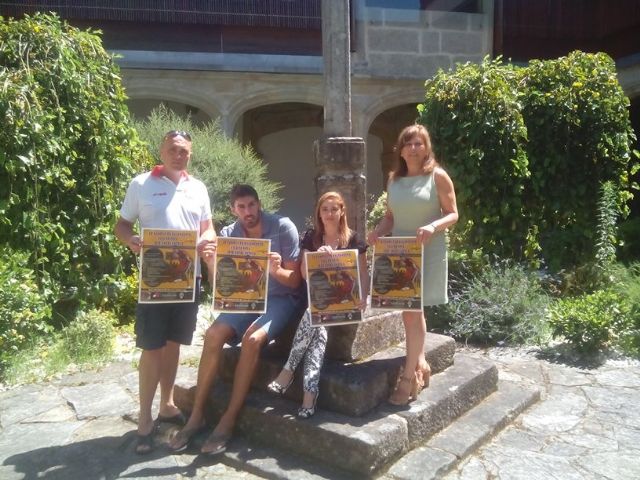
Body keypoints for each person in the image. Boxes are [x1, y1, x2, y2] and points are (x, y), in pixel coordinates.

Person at [169, 184, 304, 455]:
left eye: (251, 205)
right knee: (212, 334)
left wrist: (275, 270)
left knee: (252, 339)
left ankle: (228, 419)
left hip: (279, 299)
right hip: (245, 299)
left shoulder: (282, 227)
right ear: (233, 209)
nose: (247, 212)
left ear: (259, 204)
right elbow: (223, 284)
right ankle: (197, 415)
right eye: (241, 207)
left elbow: (295, 282)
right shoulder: (230, 234)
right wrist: (209, 261)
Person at [114, 130, 216, 454]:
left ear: (191, 153)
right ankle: (145, 419)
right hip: (155, 282)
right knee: (152, 347)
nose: (178, 155)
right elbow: (122, 225)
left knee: (174, 344)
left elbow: (208, 226)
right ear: (161, 151)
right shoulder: (140, 184)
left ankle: (168, 404)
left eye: (184, 150)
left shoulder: (198, 187)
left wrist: (207, 240)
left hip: (188, 281)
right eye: (173, 149)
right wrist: (129, 240)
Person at [367, 124, 458, 405]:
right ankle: (422, 366)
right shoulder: (394, 180)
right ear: (401, 149)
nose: (414, 148)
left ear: (427, 147)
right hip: (399, 253)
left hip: (426, 249)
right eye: (408, 143)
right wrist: (378, 231)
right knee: (412, 311)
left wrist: (432, 225)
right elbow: (392, 218)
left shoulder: (438, 177)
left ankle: (408, 377)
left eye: (419, 143)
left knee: (411, 312)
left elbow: (453, 214)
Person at [267, 191, 369, 418]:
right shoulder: (311, 237)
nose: (330, 214)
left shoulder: (354, 239)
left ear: (342, 211)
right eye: (325, 209)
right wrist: (316, 258)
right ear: (319, 213)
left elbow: (362, 273)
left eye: (334, 209)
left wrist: (364, 296)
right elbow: (303, 275)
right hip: (317, 300)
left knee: (315, 317)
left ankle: (288, 371)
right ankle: (309, 395)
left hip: (342, 302)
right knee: (318, 330)